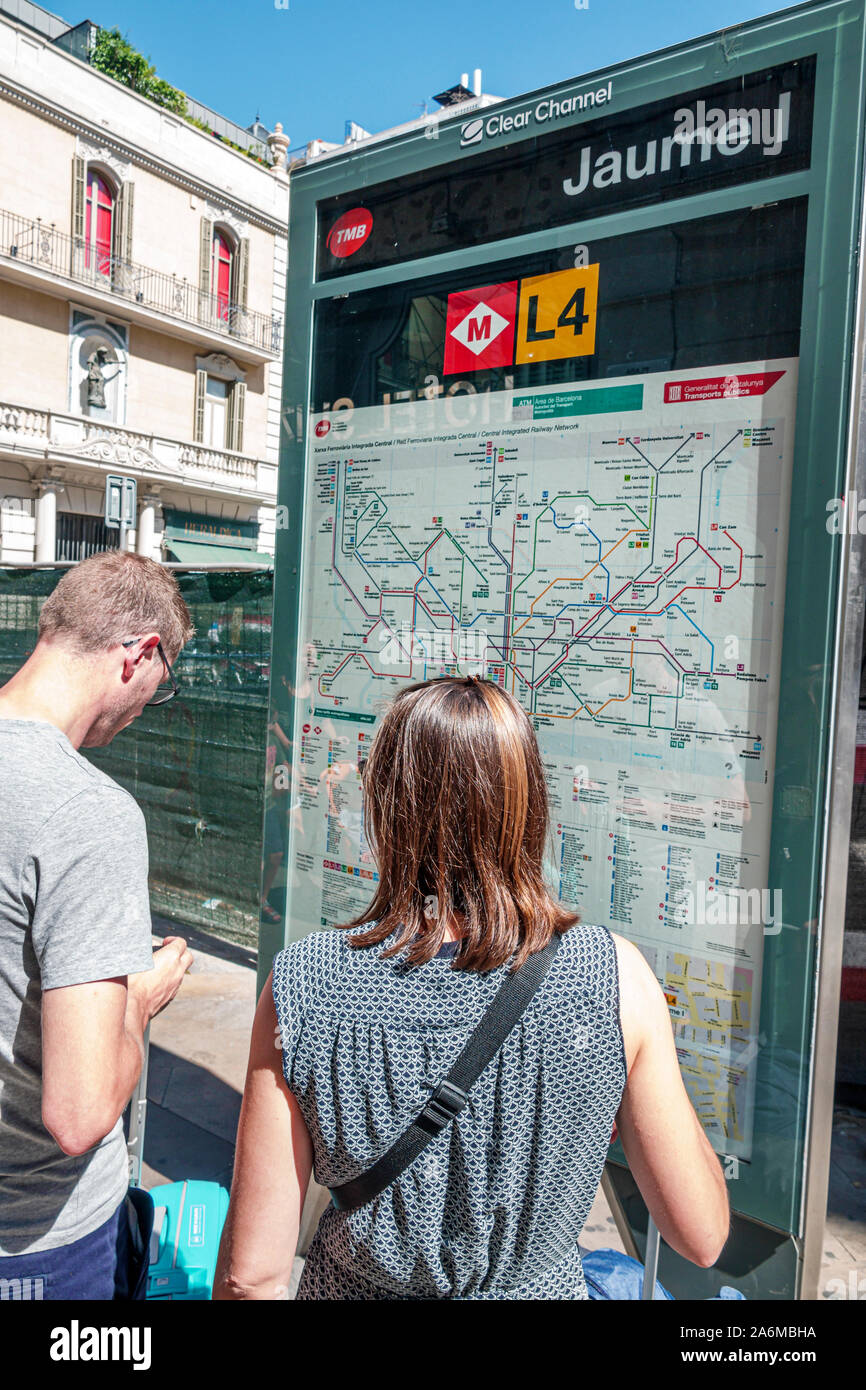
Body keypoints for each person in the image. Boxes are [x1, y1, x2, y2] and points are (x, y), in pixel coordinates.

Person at [214, 675, 729, 1300]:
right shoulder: (611, 978)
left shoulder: (306, 982)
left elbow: (250, 1276)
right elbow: (701, 1234)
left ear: (385, 805)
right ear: (529, 803)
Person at [0, 550, 195, 1299]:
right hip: (39, 1243)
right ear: (140, 654)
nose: (150, 700)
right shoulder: (89, 814)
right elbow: (79, 1114)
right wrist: (137, 1000)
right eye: (161, 682)